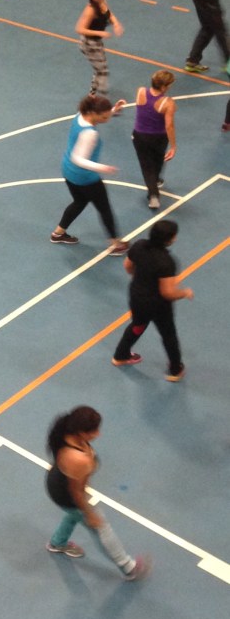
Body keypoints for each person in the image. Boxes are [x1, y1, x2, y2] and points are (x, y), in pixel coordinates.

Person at [44, 406, 150, 579]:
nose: (98, 434)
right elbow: (76, 491)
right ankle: (129, 567)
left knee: (73, 516)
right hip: (68, 495)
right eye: (93, 431)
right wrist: (90, 514)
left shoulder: (68, 435)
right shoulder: (77, 458)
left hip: (58, 485)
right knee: (101, 528)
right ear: (80, 432)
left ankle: (57, 543)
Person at [112, 219, 192, 380]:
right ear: (169, 239)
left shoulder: (139, 245)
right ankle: (175, 370)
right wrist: (184, 293)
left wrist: (141, 280)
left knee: (138, 325)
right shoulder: (166, 262)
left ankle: (120, 356)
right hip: (157, 305)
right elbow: (167, 292)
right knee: (168, 334)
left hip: (137, 296)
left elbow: (128, 266)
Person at [50, 93, 129, 255]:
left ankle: (58, 233)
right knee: (104, 209)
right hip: (85, 177)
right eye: (105, 117)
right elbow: (79, 159)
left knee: (79, 201)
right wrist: (103, 168)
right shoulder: (90, 133)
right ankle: (115, 244)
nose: (107, 120)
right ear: (94, 113)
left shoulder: (81, 114)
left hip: (68, 170)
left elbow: (97, 113)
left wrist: (114, 110)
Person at [131, 70, 176, 209]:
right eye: (169, 84)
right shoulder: (168, 103)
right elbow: (169, 126)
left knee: (147, 165)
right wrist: (173, 146)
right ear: (163, 87)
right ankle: (153, 195)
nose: (170, 87)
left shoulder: (140, 91)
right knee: (156, 161)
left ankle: (154, 181)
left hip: (140, 136)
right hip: (159, 138)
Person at [74, 0, 123, 97]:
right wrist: (100, 32)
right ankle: (101, 98)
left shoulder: (102, 3)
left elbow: (109, 14)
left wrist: (116, 24)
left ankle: (92, 94)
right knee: (103, 72)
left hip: (96, 42)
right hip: (90, 43)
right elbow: (79, 29)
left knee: (99, 69)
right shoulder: (90, 10)